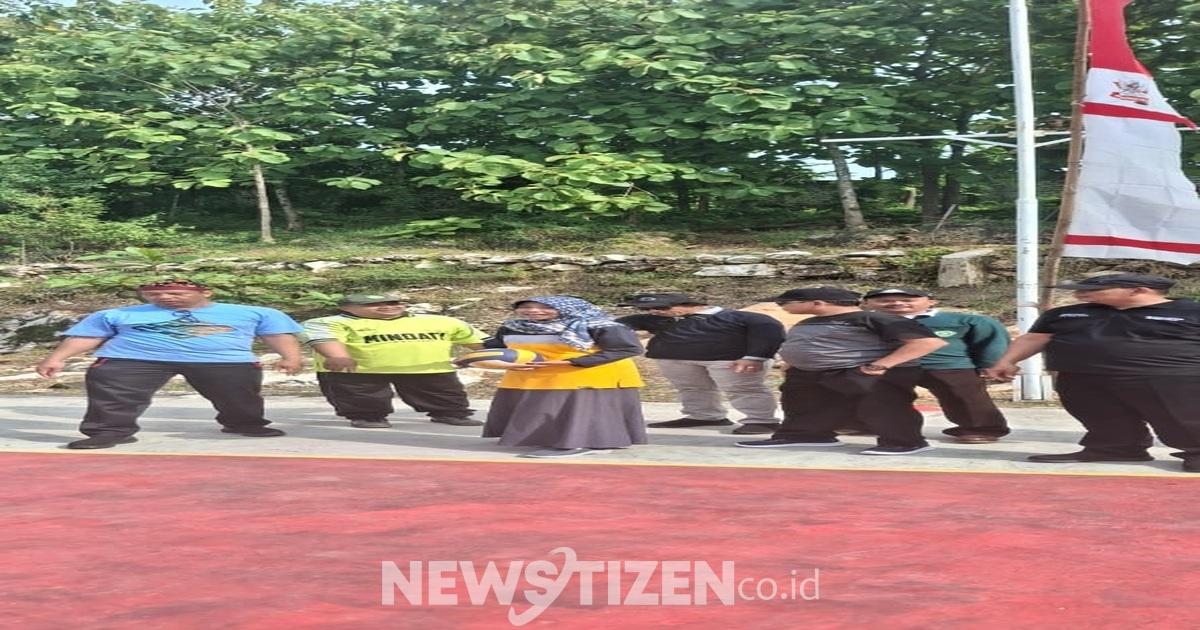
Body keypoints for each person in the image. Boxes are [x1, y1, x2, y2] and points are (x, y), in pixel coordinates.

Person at [34, 279, 304, 449]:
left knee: (239, 394)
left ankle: (244, 424)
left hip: (223, 360)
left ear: (205, 292)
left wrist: (291, 357)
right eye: (155, 295)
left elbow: (277, 334)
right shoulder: (117, 314)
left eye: (175, 293)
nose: (164, 298)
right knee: (113, 394)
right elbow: (87, 336)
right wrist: (56, 358)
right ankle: (109, 432)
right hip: (133, 359)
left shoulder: (254, 312)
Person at [985, 273, 1200, 473]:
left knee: (1182, 418)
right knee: (1100, 415)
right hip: (1080, 376)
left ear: (1139, 290)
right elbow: (1035, 338)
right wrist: (1007, 361)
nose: (1080, 293)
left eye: (1092, 290)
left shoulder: (1191, 312)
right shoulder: (1063, 314)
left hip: (1171, 377)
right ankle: (1115, 449)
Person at [735, 287, 947, 455]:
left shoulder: (875, 318)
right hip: (809, 373)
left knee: (883, 407)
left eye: (786, 303)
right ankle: (806, 435)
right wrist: (794, 362)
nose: (781, 307)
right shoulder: (810, 321)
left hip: (864, 372)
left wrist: (879, 365)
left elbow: (927, 343)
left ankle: (905, 443)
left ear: (818, 303)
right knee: (804, 404)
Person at [478, 296, 647, 458]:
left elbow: (628, 348)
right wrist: (491, 361)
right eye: (526, 307)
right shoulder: (512, 327)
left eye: (546, 308)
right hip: (532, 376)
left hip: (588, 376)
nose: (533, 311)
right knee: (542, 410)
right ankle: (552, 439)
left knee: (579, 412)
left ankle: (581, 443)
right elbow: (498, 349)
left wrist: (572, 362)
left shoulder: (601, 326)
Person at [301, 293, 486, 428]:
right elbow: (325, 339)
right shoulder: (327, 322)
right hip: (360, 371)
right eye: (374, 304)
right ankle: (368, 417)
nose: (388, 307)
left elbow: (479, 341)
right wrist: (337, 356)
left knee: (444, 394)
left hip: (427, 368)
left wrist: (491, 356)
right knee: (362, 397)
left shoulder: (441, 321)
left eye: (394, 303)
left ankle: (451, 414)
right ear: (346, 308)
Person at [616, 293, 785, 435]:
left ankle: (762, 421)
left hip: (729, 360)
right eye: (647, 309)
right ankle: (704, 415)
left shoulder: (743, 318)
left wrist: (756, 356)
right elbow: (615, 325)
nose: (654, 311)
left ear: (692, 305)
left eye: (662, 307)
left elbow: (770, 334)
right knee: (691, 388)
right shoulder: (656, 319)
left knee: (743, 389)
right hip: (675, 359)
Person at [863, 288, 1011, 443]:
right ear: (866, 303)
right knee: (871, 396)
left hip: (948, 366)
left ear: (931, 301)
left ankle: (982, 429)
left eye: (908, 300)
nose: (897, 303)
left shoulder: (964, 320)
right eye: (885, 301)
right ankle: (866, 425)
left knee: (965, 398)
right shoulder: (861, 320)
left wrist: (990, 364)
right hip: (886, 366)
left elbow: (990, 342)